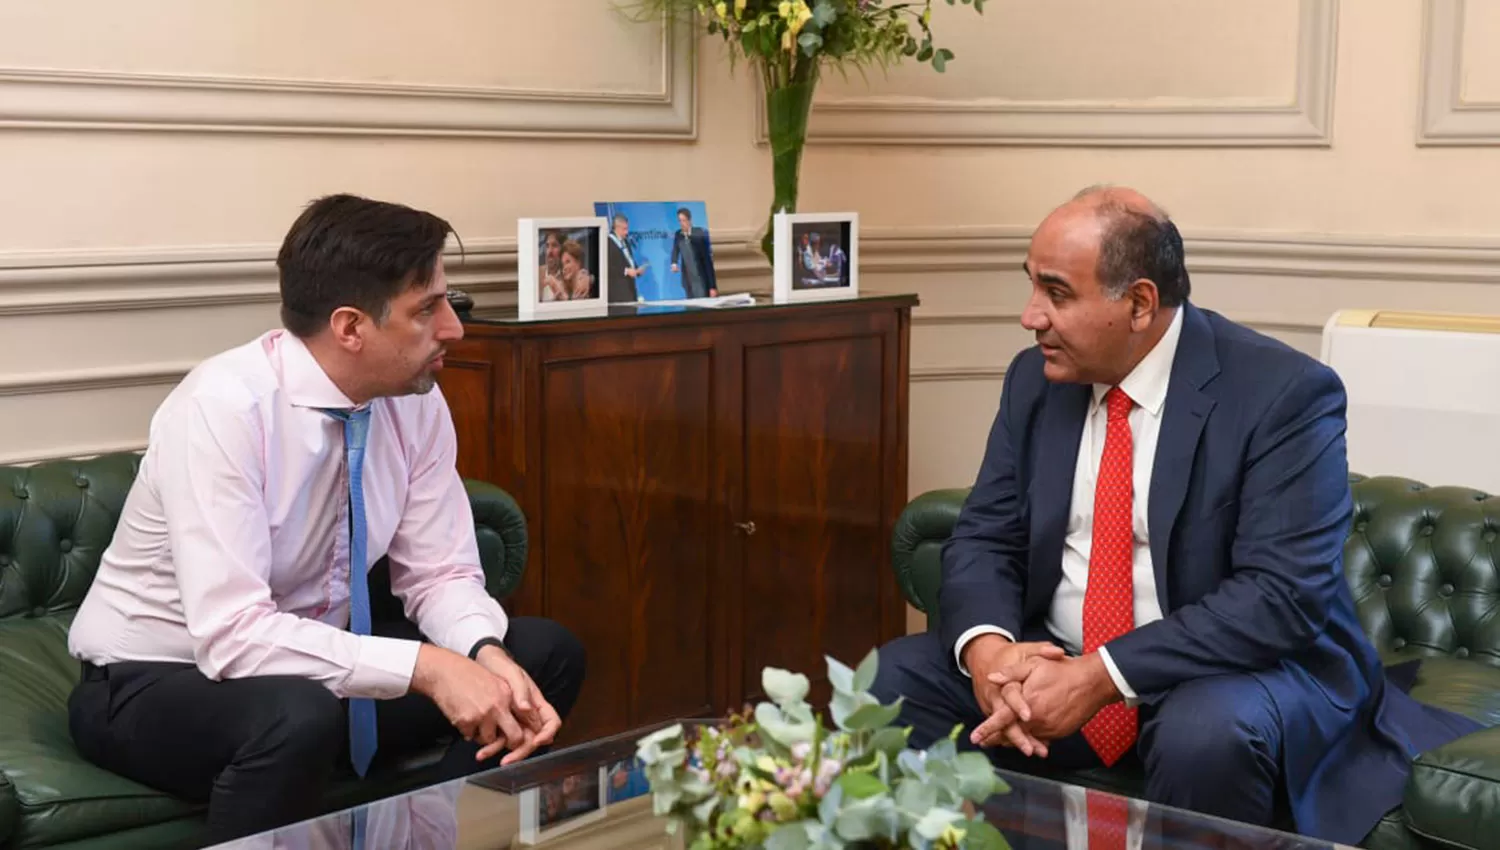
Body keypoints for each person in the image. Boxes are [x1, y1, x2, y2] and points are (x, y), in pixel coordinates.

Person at [870, 185, 1481, 846]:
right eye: (1031, 287)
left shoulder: (1281, 393)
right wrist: (989, 654)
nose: (1030, 317)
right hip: (1061, 661)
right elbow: (985, 536)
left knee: (1205, 730)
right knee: (890, 682)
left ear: (1138, 303)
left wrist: (1101, 676)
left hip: (1229, 673)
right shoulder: (1034, 382)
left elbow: (1280, 597)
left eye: (1057, 293)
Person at [66, 193, 587, 845]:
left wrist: (483, 654)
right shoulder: (222, 408)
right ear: (349, 327)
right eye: (427, 309)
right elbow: (231, 635)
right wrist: (429, 668)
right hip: (153, 681)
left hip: (308, 670)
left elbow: (440, 573)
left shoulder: (415, 401)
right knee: (295, 714)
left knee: (541, 656)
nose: (453, 328)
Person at [669, 207, 717, 299]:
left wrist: (712, 286)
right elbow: (675, 250)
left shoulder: (699, 233)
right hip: (688, 279)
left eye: (684, 220)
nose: (682, 223)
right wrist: (674, 263)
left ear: (690, 220)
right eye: (680, 221)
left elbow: (707, 262)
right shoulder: (678, 234)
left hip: (701, 277)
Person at [606, 213, 645, 303]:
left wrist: (637, 270)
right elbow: (608, 266)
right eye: (624, 229)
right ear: (616, 228)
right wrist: (626, 271)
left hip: (630, 289)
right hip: (618, 292)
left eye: (627, 228)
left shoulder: (626, 242)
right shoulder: (608, 242)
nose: (626, 232)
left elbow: (629, 260)